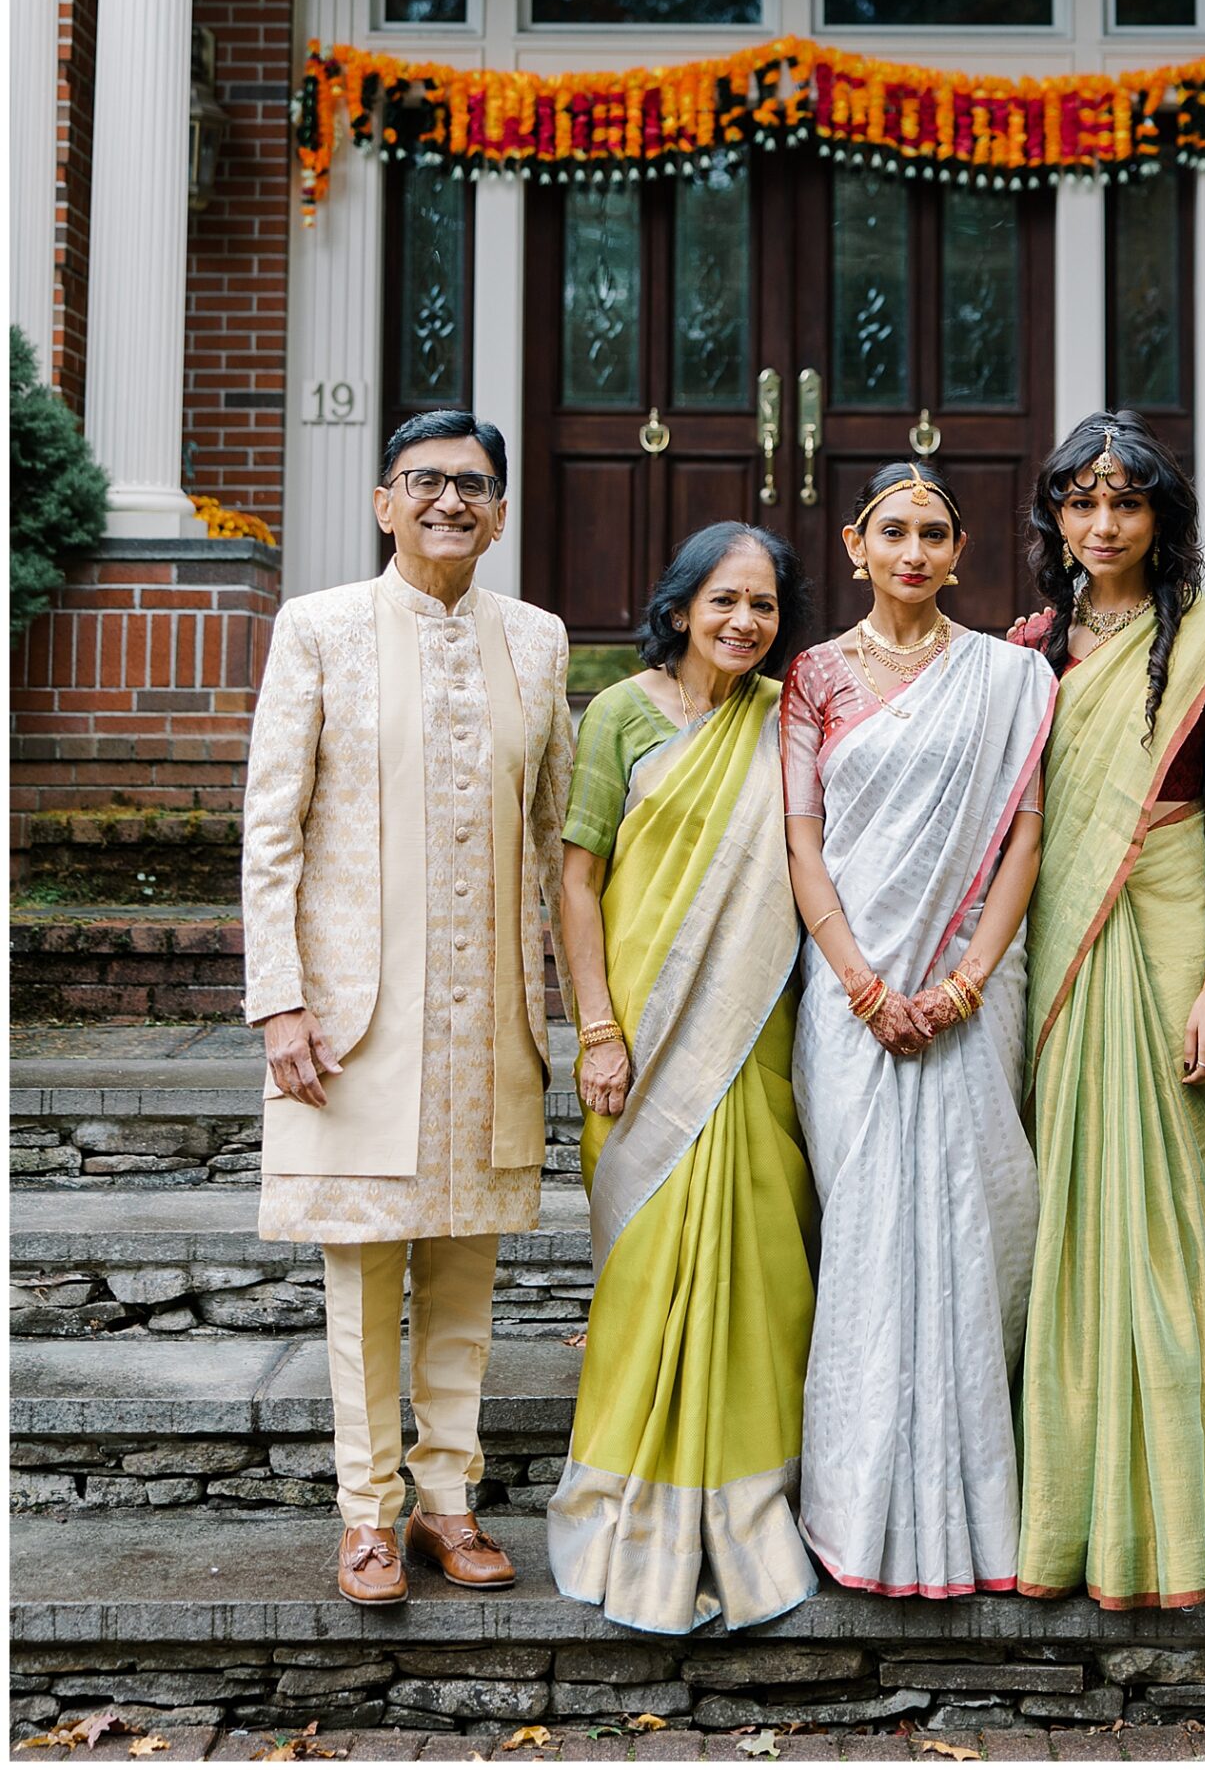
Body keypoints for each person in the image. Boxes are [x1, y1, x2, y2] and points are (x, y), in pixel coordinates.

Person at [242, 411, 572, 1606]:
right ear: (385, 501)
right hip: (351, 1020)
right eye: (424, 480)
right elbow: (271, 827)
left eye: (474, 485)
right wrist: (280, 1001)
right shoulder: (319, 626)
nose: (450, 500)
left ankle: (448, 1502)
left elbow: (559, 836)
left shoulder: (536, 640)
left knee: (466, 1276)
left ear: (501, 512)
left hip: (487, 1016)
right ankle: (366, 1516)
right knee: (362, 1277)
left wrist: (587, 1009)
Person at [1009, 411, 1205, 1609]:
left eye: (1127, 501)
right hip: (1063, 934)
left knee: (1173, 1212)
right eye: (1083, 502)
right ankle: (1067, 1508)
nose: (1104, 523)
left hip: (1173, 930)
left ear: (1162, 515)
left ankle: (1183, 1511)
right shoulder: (1028, 648)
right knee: (1071, 1201)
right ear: (1056, 517)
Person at [782, 459, 1057, 1598]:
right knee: (864, 1239)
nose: (912, 550)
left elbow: (1024, 835)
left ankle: (981, 1510)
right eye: (891, 530)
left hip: (968, 990)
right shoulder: (812, 675)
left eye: (932, 533)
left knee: (975, 1226)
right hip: (850, 995)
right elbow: (803, 839)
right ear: (855, 545)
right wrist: (861, 985)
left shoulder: (1010, 676)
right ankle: (854, 1510)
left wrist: (962, 985)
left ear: (958, 553)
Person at [547, 523, 818, 1635]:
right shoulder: (620, 713)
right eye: (724, 601)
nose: (744, 622)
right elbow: (576, 880)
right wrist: (597, 1030)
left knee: (762, 1253)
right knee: (646, 1264)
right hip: (643, 1031)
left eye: (763, 605)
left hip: (751, 1026)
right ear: (678, 609)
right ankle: (627, 1499)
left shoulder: (789, 716)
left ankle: (753, 1488)